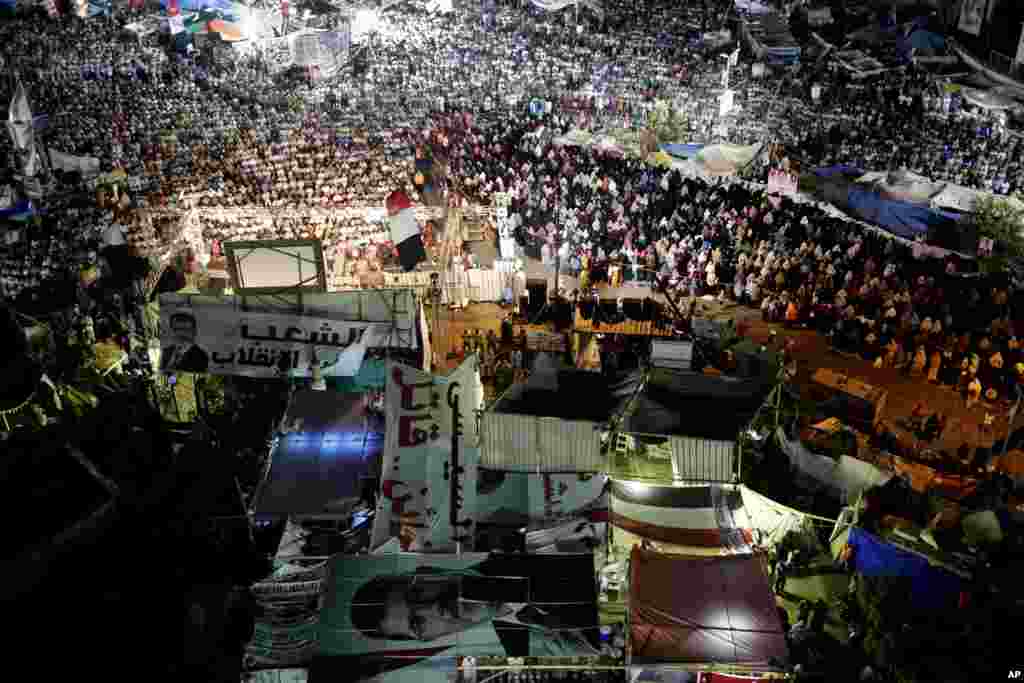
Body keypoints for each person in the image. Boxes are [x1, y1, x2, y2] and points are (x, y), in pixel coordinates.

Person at [348, 553, 601, 659]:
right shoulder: (520, 648)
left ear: (427, 571)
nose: (436, 608)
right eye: (418, 622)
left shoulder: (520, 551)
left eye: (417, 593)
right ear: (429, 638)